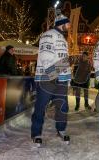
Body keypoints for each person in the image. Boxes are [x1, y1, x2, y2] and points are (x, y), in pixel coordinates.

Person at [31, 13, 72, 146]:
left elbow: (63, 61)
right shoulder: (49, 34)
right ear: (62, 22)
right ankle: (36, 133)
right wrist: (52, 74)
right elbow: (45, 55)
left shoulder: (63, 38)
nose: (69, 25)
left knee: (63, 106)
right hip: (47, 78)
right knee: (41, 106)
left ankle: (61, 129)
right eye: (68, 23)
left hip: (61, 79)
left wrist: (68, 79)